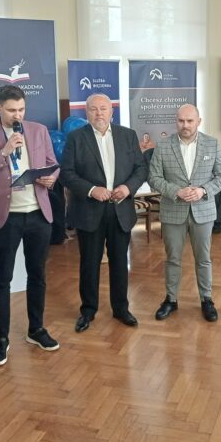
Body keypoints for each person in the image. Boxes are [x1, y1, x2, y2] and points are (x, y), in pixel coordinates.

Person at [0, 85, 60, 366]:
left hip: (38, 213)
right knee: (2, 279)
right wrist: (4, 152)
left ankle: (36, 329)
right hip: (5, 217)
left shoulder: (38, 130)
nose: (17, 115)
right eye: (11, 110)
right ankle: (0, 339)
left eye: (21, 109)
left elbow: (53, 163)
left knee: (38, 275)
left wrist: (51, 177)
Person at [60, 93, 147, 333]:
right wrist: (91, 190)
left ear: (112, 112)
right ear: (86, 112)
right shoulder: (76, 138)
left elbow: (141, 169)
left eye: (103, 108)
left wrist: (128, 188)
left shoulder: (128, 136)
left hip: (121, 210)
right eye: (93, 109)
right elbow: (66, 174)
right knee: (89, 264)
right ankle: (88, 310)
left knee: (120, 263)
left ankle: (121, 308)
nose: (99, 113)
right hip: (89, 211)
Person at [148, 105, 221, 322]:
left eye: (190, 121)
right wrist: (176, 191)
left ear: (198, 121)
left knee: (203, 259)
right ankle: (171, 300)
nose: (185, 125)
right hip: (173, 211)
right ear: (176, 121)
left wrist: (203, 190)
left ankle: (206, 300)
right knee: (172, 258)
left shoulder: (212, 144)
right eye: (181, 121)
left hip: (203, 212)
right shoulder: (163, 145)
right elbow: (153, 178)